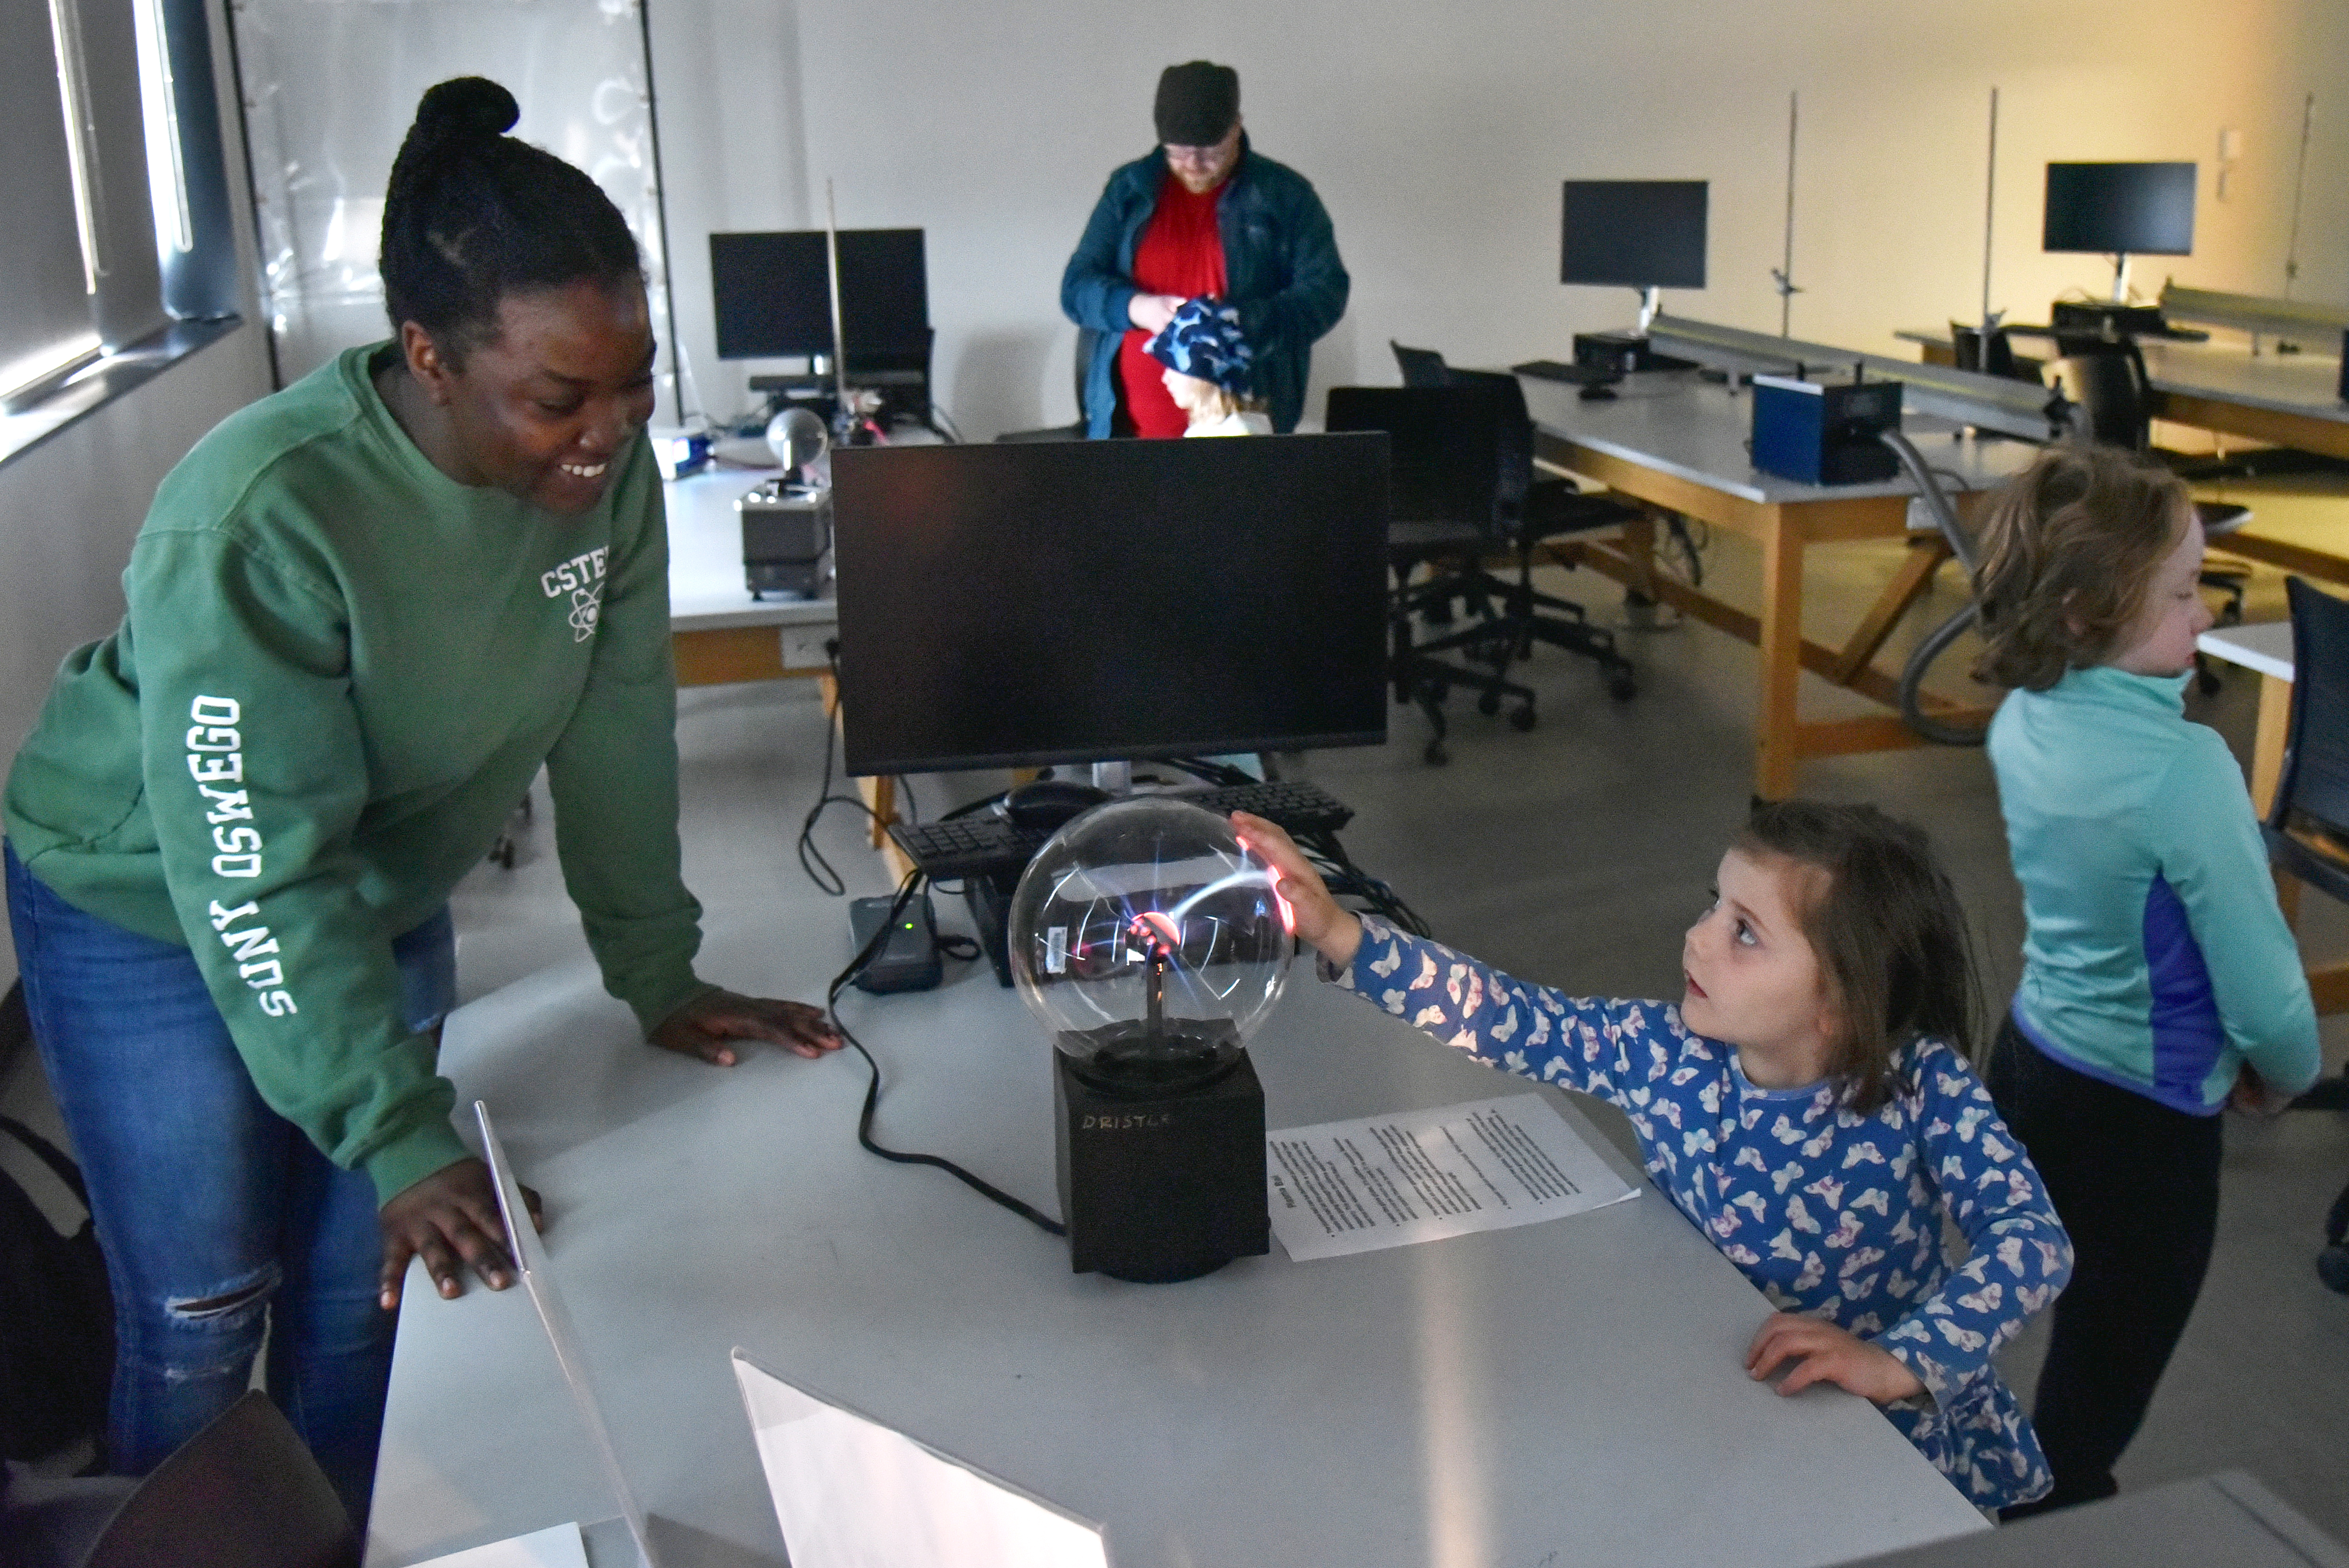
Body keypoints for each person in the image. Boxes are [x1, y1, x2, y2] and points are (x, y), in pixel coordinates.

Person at [1, 77, 840, 1519]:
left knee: (367, 1296)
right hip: (145, 899)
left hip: (377, 884)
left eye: (632, 380)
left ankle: (336, 1542)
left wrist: (657, 968)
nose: (606, 429)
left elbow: (619, 723)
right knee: (207, 1304)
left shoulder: (606, 479)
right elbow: (254, 868)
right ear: (428, 359)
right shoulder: (265, 512)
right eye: (557, 397)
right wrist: (386, 1123)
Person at [1235, 800, 2073, 1512]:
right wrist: (1345, 935)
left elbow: (2032, 1241)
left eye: (1743, 932)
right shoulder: (1664, 1050)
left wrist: (1899, 1359)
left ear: (1842, 1003)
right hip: (1713, 1389)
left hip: (1879, 1436)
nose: (1697, 938)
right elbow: (1508, 1016)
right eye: (1714, 905)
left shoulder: (1921, 1085)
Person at [1970, 445, 2320, 1517]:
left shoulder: (2018, 721)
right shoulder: (2187, 773)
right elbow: (2262, 988)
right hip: (2144, 1125)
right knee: (2101, 1375)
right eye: (2181, 594)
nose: (2206, 615)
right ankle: (2047, 1519)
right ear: (2083, 610)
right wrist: (2287, 1070)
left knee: (1995, 1300)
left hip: (2028, 1064)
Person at [1060, 60, 1347, 439]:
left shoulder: (1285, 195)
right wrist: (1137, 308)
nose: (1194, 164)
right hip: (1125, 434)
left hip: (1245, 435)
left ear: (1236, 127)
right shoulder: (1128, 190)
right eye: (1178, 152)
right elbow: (1076, 289)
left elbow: (1326, 293)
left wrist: (1240, 322)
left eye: (1211, 151)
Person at [1147, 298, 1271, 437]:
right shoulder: (1206, 430)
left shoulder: (1238, 434)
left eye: (1174, 367)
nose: (1165, 378)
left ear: (1204, 377)